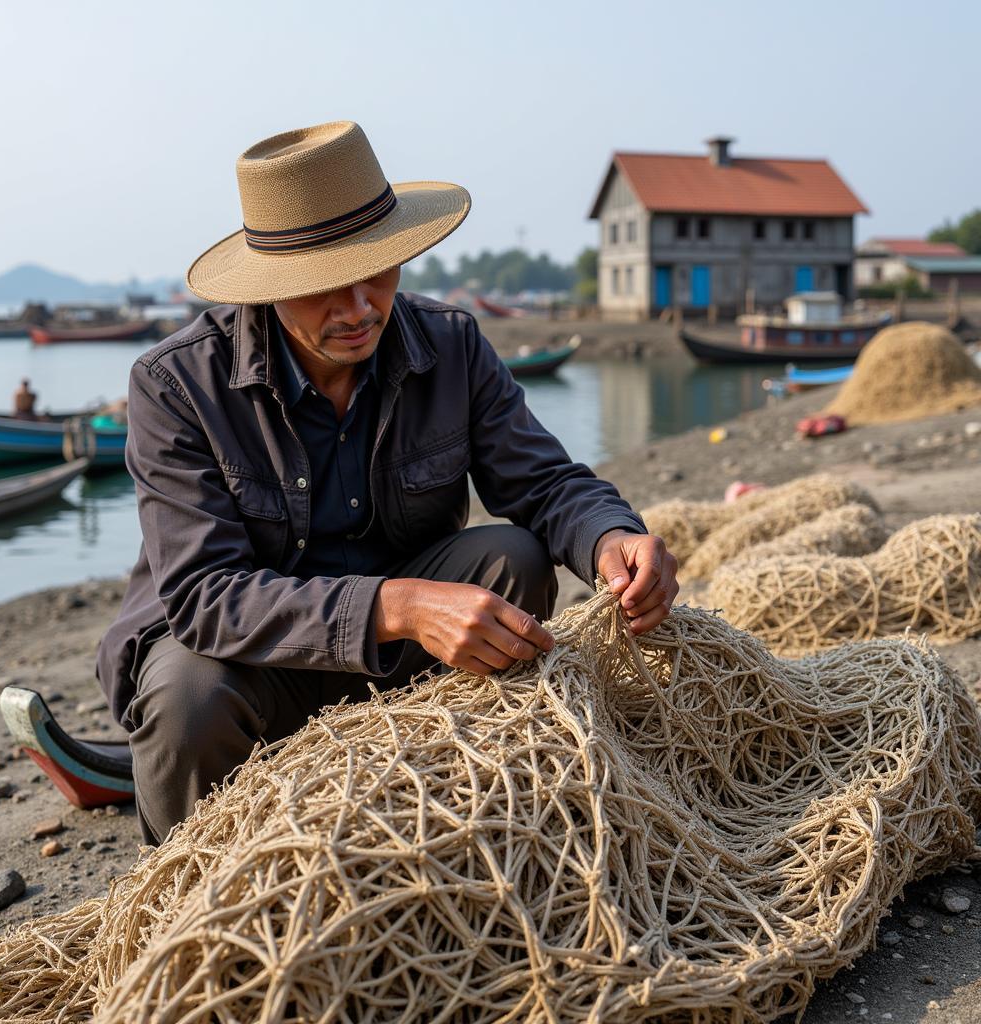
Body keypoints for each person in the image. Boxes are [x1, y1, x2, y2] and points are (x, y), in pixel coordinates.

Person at [96, 121, 679, 845]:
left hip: (401, 661)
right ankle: (198, 879)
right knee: (188, 698)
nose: (360, 308)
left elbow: (547, 483)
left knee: (514, 559)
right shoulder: (177, 383)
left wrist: (611, 538)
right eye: (323, 289)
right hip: (248, 665)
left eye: (377, 271)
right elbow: (206, 597)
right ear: (270, 289)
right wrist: (395, 605)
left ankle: (459, 811)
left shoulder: (452, 344)